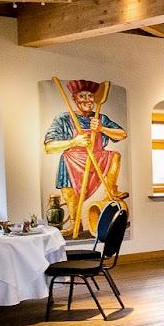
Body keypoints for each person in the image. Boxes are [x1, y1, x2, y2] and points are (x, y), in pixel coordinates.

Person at [44, 80, 127, 236]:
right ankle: (75, 224)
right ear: (75, 99)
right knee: (69, 193)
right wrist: (74, 142)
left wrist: (102, 128)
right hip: (72, 161)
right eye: (82, 96)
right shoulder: (63, 118)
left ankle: (112, 191)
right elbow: (49, 147)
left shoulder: (100, 118)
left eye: (91, 96)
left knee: (115, 155)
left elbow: (122, 134)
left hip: (97, 158)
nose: (88, 100)